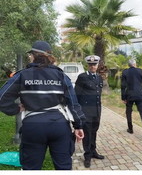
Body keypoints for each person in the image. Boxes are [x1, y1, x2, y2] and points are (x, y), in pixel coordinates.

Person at [0, 41, 85, 170]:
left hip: (33, 127)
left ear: (33, 56)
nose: (29, 57)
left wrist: (16, 108)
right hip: (59, 125)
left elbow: (2, 99)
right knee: (64, 167)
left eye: (30, 55)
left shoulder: (22, 75)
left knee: (31, 168)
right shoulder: (61, 75)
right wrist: (78, 125)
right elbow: (73, 103)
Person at [75, 55, 105, 168]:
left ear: (97, 65)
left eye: (95, 64)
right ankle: (87, 155)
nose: (93, 66)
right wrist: (78, 112)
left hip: (97, 111)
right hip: (86, 111)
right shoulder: (82, 77)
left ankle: (93, 151)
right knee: (87, 133)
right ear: (88, 65)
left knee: (94, 131)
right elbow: (76, 95)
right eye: (91, 64)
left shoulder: (99, 77)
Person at [121, 59, 142, 141]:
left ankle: (130, 129)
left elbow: (123, 86)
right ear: (135, 64)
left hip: (129, 95)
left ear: (129, 65)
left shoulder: (125, 72)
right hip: (139, 94)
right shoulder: (140, 71)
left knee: (128, 112)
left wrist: (123, 97)